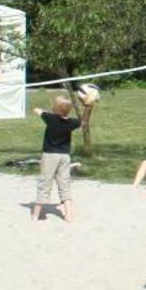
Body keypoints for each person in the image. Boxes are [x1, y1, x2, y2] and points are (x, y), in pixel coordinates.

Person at [30, 91, 92, 222]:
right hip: (64, 157)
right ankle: (68, 216)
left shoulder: (49, 118)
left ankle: (35, 216)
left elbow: (35, 109)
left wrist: (46, 110)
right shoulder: (70, 123)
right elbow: (84, 122)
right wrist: (87, 107)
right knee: (64, 184)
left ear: (55, 108)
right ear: (68, 111)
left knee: (45, 183)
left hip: (50, 156)